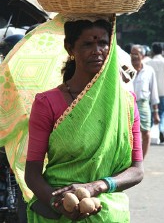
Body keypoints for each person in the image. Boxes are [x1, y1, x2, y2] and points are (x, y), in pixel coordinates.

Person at [24, 16, 144, 222]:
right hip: (57, 205)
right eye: (88, 44)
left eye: (103, 43)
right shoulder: (47, 103)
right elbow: (32, 174)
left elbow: (136, 170)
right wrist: (57, 203)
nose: (97, 50)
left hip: (106, 210)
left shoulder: (125, 102)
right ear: (70, 48)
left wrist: (97, 186)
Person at [130, 44, 160, 158]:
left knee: (146, 133)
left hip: (143, 104)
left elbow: (154, 92)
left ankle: (141, 160)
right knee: (129, 134)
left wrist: (156, 112)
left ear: (142, 56)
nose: (134, 56)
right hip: (128, 104)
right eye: (132, 54)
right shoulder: (125, 69)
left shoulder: (149, 70)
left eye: (136, 54)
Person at [147, 43, 164, 143]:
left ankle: (150, 131)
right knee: (163, 112)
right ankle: (161, 129)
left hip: (152, 91)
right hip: (163, 91)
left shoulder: (149, 62)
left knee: (152, 112)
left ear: (153, 51)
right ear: (162, 51)